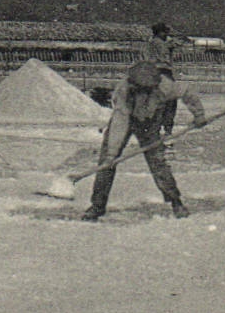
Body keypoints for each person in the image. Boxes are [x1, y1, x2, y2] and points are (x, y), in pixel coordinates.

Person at [83, 59, 208, 221]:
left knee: (157, 162)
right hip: (127, 119)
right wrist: (111, 155)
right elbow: (120, 125)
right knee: (106, 162)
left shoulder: (165, 85)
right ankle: (97, 206)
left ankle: (176, 202)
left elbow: (187, 92)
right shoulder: (124, 91)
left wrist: (199, 115)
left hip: (150, 123)